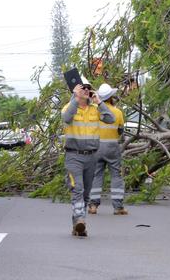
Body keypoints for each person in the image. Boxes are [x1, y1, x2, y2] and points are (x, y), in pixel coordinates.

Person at [62, 80, 115, 237]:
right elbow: (66, 118)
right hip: (73, 156)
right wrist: (75, 98)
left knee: (85, 194)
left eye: (88, 88)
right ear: (76, 90)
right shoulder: (69, 107)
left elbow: (110, 118)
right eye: (82, 88)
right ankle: (81, 220)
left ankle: (77, 224)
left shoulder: (95, 109)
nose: (86, 90)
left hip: (91, 157)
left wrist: (99, 102)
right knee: (77, 188)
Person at [88, 83, 127, 215]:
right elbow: (121, 130)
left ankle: (93, 205)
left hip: (96, 147)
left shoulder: (94, 110)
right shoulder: (118, 112)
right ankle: (118, 207)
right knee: (116, 175)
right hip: (112, 147)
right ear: (111, 97)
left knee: (96, 175)